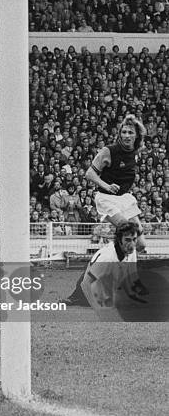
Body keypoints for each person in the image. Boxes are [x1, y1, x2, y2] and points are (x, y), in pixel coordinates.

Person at [85, 114, 147, 252]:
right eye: (124, 132)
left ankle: (127, 265)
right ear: (119, 134)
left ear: (136, 136)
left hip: (124, 198)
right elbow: (89, 173)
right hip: (106, 198)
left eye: (130, 132)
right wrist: (107, 186)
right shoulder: (108, 151)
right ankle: (108, 260)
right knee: (127, 229)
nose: (126, 135)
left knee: (141, 244)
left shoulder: (136, 153)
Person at [62, 222, 147, 308]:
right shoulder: (107, 257)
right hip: (92, 281)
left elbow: (132, 275)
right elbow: (85, 283)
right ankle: (78, 297)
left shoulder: (131, 251)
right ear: (119, 240)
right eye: (127, 239)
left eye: (134, 239)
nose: (132, 244)